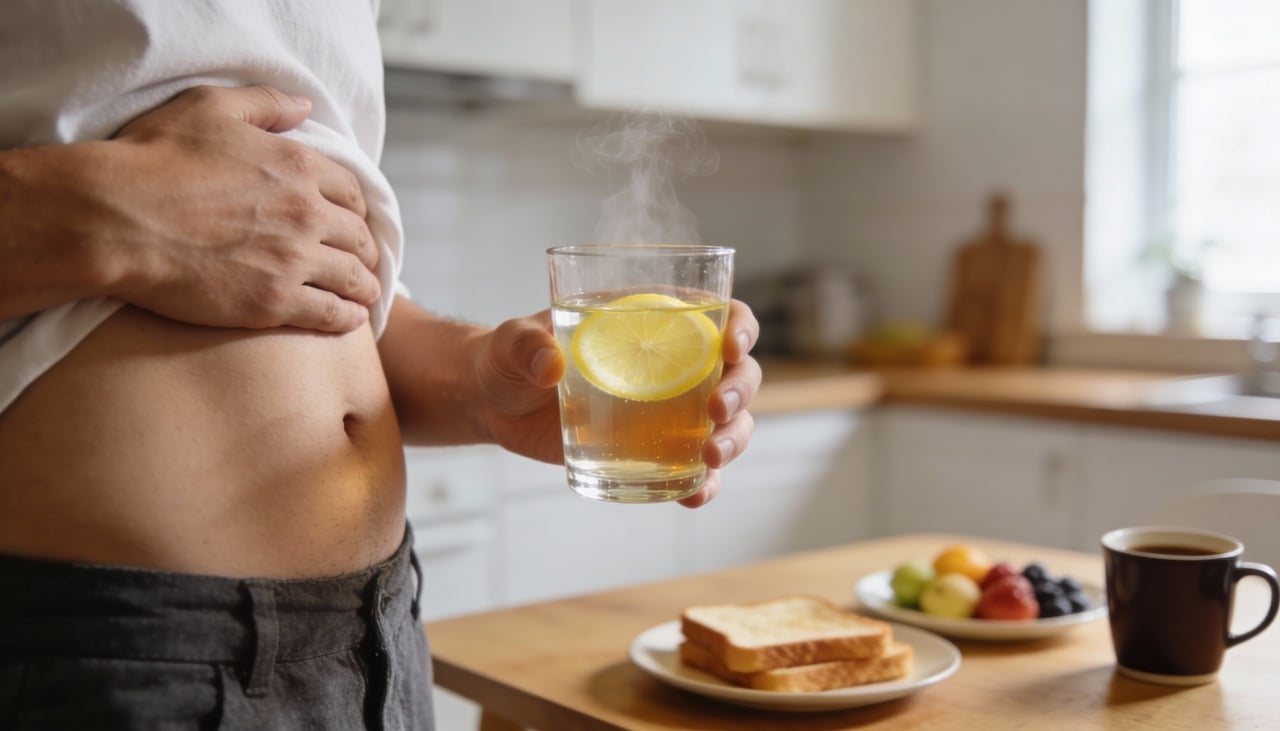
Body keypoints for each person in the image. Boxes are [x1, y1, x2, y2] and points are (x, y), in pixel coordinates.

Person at [0, 3, 761, 730]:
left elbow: (320, 288)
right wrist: (104, 212)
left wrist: (475, 381)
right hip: (104, 639)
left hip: (376, 633)